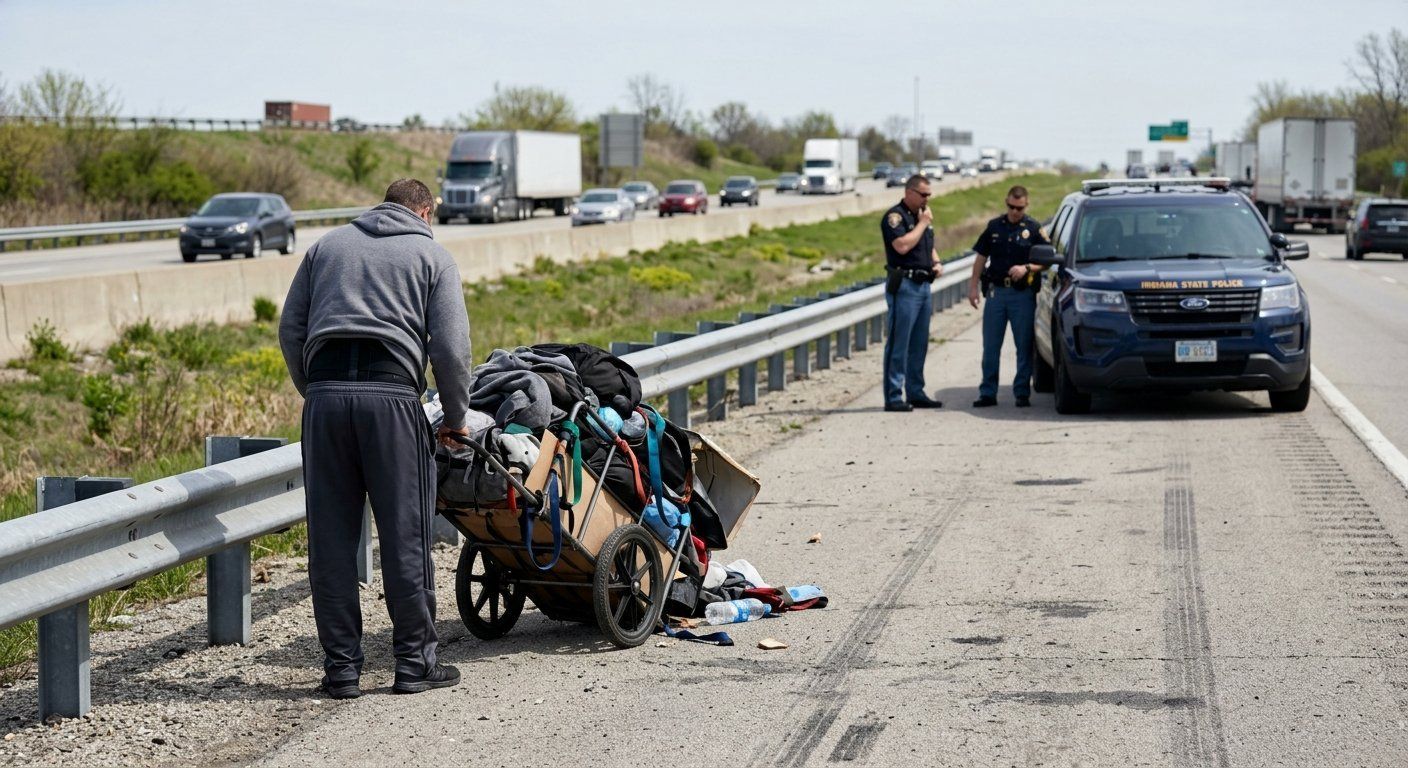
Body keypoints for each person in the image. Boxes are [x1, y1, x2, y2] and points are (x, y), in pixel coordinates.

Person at [279, 179, 472, 699]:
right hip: (391, 402)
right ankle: (414, 664)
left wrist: (315, 390)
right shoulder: (432, 257)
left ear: (383, 205)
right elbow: (452, 351)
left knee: (332, 541)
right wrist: (455, 416)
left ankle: (341, 670)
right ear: (426, 211)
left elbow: (290, 329)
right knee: (405, 534)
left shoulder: (326, 247)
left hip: (324, 401)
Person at [967, 185, 1049, 408]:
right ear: (1006, 202)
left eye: (1019, 208)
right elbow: (981, 257)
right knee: (991, 346)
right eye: (1011, 207)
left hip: (1022, 294)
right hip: (996, 293)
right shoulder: (994, 227)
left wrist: (1027, 268)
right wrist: (973, 286)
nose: (1015, 212)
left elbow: (1048, 259)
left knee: (1023, 345)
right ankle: (987, 392)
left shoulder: (1033, 228)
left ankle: (1022, 392)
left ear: (1026, 205)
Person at [879, 174, 945, 412]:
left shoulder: (921, 217)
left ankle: (916, 392)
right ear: (909, 193)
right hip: (904, 286)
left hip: (923, 285)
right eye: (923, 194)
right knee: (899, 343)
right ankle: (894, 396)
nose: (927, 199)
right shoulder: (895, 217)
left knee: (919, 343)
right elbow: (903, 245)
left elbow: (928, 244)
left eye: (929, 194)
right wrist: (923, 223)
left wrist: (936, 262)